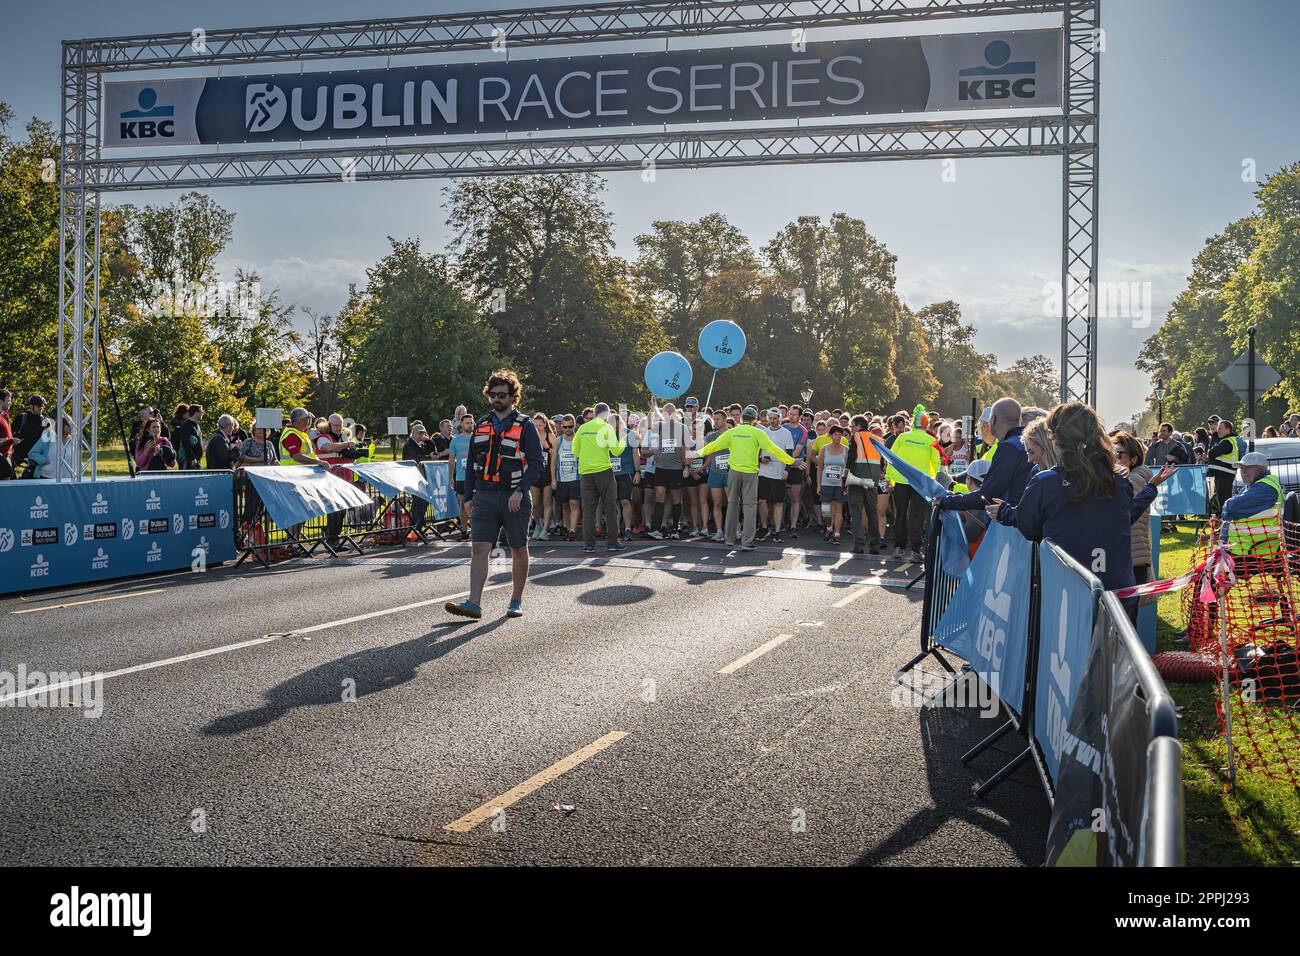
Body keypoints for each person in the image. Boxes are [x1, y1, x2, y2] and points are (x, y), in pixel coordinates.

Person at [992, 402, 1175, 623]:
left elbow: (1028, 526)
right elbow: (1126, 518)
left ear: (1057, 441)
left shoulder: (1046, 483)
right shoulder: (1118, 482)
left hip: (1068, 602)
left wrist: (1005, 512)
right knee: (1114, 656)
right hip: (1115, 598)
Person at [445, 370, 543, 620]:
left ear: (513, 396)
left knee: (518, 548)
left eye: (502, 394)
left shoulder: (525, 425)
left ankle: (516, 600)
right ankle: (474, 603)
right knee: (479, 547)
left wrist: (521, 492)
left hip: (514, 497)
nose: (497, 398)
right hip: (485, 496)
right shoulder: (481, 425)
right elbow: (471, 465)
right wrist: (467, 497)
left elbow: (536, 463)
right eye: (493, 394)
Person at [690, 405, 794, 551]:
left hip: (733, 472)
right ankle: (747, 542)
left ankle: (729, 539)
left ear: (742, 418)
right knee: (750, 506)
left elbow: (714, 445)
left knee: (732, 504)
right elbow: (773, 449)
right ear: (754, 420)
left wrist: (697, 453)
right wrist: (791, 460)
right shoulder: (758, 432)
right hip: (750, 473)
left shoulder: (733, 432)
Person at [940, 396, 1033, 518]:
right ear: (1020, 420)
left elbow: (986, 496)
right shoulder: (1027, 442)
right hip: (1022, 518)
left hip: (1011, 523)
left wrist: (946, 501)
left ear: (993, 420)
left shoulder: (1008, 447)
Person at [886, 406, 941, 562]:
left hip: (901, 480)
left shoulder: (902, 438)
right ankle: (915, 550)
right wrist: (931, 481)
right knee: (917, 515)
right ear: (926, 424)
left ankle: (899, 547)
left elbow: (891, 458)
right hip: (920, 482)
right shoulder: (931, 440)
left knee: (900, 514)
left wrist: (889, 478)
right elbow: (936, 464)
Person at [573, 402, 627, 553]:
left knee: (589, 510)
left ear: (595, 413)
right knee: (610, 508)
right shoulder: (606, 427)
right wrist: (623, 440)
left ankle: (589, 545)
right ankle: (612, 542)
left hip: (586, 473)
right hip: (604, 472)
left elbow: (575, 451)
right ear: (607, 414)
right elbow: (616, 452)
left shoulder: (582, 429)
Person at [1113, 432, 1154, 588]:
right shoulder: (1133, 478)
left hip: (1131, 558)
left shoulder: (1133, 480)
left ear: (1133, 460)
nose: (1113, 458)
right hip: (1132, 557)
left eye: (1118, 454)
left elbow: (1124, 515)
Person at [845, 415, 885, 554]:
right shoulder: (879, 439)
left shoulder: (856, 437)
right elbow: (881, 463)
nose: (851, 429)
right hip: (872, 480)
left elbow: (851, 458)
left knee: (856, 512)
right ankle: (875, 544)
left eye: (852, 426)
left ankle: (859, 544)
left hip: (857, 478)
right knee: (872, 512)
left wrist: (845, 477)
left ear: (858, 426)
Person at [757, 407, 797, 543]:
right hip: (763, 472)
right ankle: (764, 528)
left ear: (780, 418)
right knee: (762, 501)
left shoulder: (786, 433)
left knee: (778, 503)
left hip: (779, 472)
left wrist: (787, 470)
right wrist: (760, 459)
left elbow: (790, 454)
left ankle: (777, 530)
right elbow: (756, 451)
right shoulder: (763, 432)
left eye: (775, 418)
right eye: (770, 418)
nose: (772, 421)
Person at [402, 422, 440, 536]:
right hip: (414, 477)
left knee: (425, 502)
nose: (421, 435)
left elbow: (433, 450)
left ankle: (418, 527)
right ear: (413, 433)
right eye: (419, 433)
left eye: (423, 433)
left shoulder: (423, 444)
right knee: (418, 502)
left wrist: (428, 440)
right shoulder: (408, 445)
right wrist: (429, 457)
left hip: (424, 476)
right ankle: (415, 527)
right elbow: (415, 458)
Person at [1206, 418, 1246, 515]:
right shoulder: (1230, 440)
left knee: (1224, 500)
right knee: (1224, 500)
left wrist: (1210, 453)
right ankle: (1226, 520)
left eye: (1220, 428)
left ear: (1228, 430)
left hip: (1224, 474)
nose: (1218, 430)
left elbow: (1212, 453)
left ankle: (1226, 521)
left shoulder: (1227, 441)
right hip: (1225, 474)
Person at [818, 425, 849, 544]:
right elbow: (820, 467)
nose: (838, 437)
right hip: (826, 483)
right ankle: (829, 528)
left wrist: (845, 484)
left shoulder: (846, 449)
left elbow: (847, 468)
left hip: (839, 483)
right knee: (825, 510)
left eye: (840, 434)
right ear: (831, 436)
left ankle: (837, 534)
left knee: (838, 509)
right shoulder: (824, 449)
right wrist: (818, 484)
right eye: (836, 434)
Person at [552, 414, 581, 540]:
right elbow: (553, 461)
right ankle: (568, 527)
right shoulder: (558, 441)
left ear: (574, 425)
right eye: (565, 427)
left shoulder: (578, 439)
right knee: (564, 505)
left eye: (570, 426)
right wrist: (553, 479)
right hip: (561, 478)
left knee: (574, 503)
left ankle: (573, 530)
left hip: (576, 477)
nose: (568, 429)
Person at [530, 413, 556, 541]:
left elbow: (554, 456)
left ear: (545, 424)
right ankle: (538, 526)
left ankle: (545, 529)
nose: (538, 427)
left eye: (540, 425)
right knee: (534, 504)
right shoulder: (530, 437)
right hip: (535, 473)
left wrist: (553, 478)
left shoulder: (550, 436)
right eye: (535, 425)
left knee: (547, 501)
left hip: (547, 473)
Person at [12, 395, 49, 476]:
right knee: (8, 471)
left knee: (29, 478)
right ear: (31, 406)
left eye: (42, 405)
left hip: (35, 455)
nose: (41, 407)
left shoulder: (45, 421)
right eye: (39, 405)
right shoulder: (22, 417)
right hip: (19, 453)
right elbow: (11, 432)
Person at [172, 404, 205, 470]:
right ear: (196, 413)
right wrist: (192, 458)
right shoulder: (186, 425)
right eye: (201, 412)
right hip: (188, 461)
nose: (202, 413)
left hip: (197, 460)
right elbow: (185, 443)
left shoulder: (196, 425)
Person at [0, 388, 13, 479]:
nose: (10, 403)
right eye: (8, 400)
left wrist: (11, 440)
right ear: (1, 401)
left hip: (7, 456)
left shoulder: (5, 414)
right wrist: (7, 440)